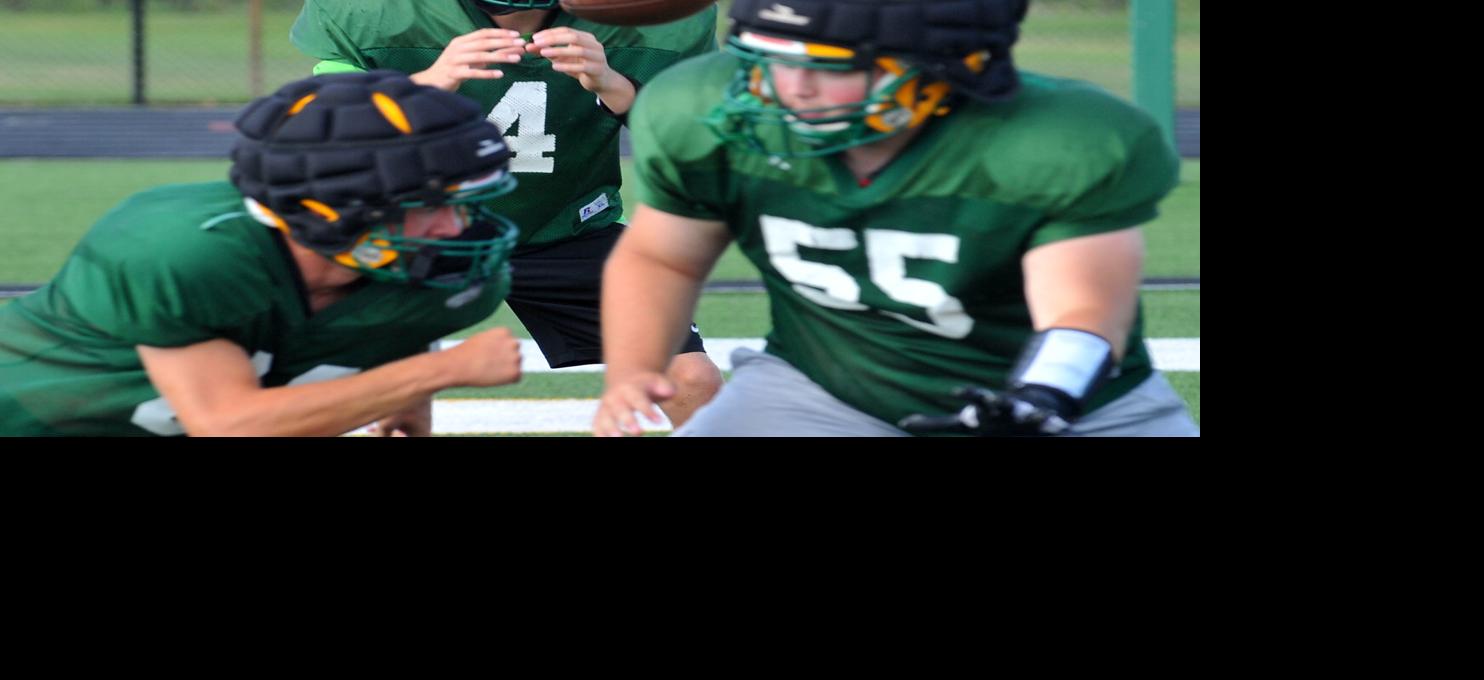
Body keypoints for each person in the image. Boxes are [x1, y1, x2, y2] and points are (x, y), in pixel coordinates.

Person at [592, 0, 1199, 437]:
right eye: (766, 59)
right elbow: (663, 257)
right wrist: (634, 367)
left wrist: (1042, 399)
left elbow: (1081, 310)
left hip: (1077, 404)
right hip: (823, 389)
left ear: (941, 67)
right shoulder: (701, 107)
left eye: (830, 66)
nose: (790, 88)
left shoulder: (1056, 139)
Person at [0, 71, 525, 436]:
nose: (455, 228)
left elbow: (397, 319)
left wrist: (407, 396)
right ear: (332, 210)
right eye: (430, 205)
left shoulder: (451, 277)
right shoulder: (184, 249)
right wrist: (436, 372)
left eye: (464, 203)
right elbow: (228, 425)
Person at [291, 0, 724, 427]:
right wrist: (425, 86)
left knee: (691, 381)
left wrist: (614, 85)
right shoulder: (376, 12)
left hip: (564, 226)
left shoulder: (650, 16)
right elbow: (325, 131)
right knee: (399, 396)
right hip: (418, 230)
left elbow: (693, 145)